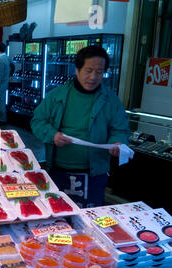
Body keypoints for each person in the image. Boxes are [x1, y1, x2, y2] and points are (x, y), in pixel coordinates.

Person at [30, 46, 130, 208]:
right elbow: (38, 121)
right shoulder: (57, 95)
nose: (93, 77)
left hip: (94, 174)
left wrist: (118, 142)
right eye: (88, 70)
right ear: (77, 69)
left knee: (90, 219)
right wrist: (52, 135)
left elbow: (121, 129)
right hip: (57, 170)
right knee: (58, 214)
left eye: (99, 72)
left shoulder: (111, 100)